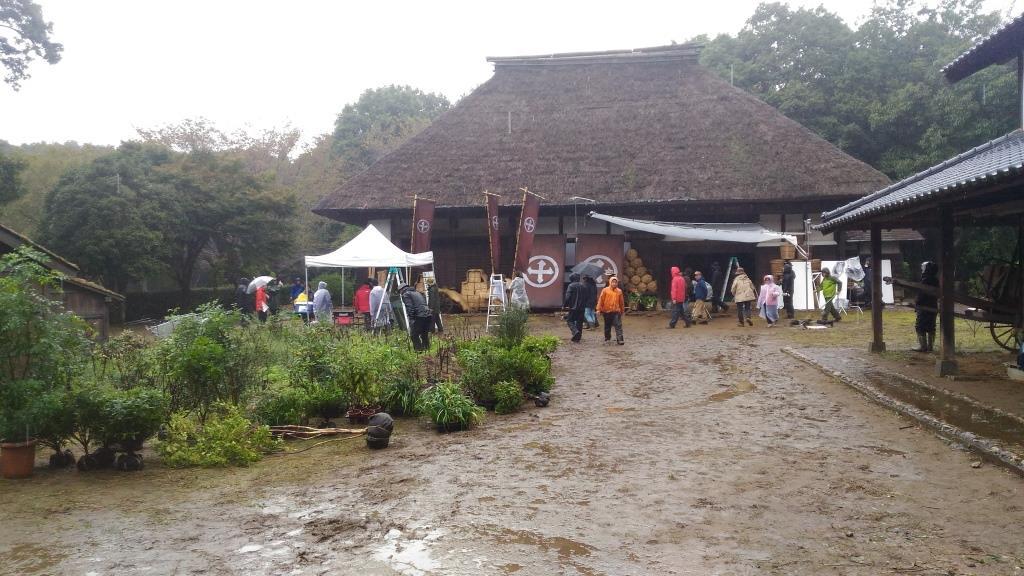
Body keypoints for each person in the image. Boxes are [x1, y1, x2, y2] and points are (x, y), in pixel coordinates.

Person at [399, 283, 433, 351]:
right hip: (428, 315)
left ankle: (419, 351)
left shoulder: (406, 294)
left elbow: (410, 307)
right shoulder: (417, 292)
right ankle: (427, 350)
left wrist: (411, 318)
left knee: (414, 335)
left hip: (419, 316)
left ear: (401, 290)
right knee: (424, 334)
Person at [914, 261, 938, 352]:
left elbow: (921, 294)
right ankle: (930, 347)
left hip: (924, 307)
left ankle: (923, 346)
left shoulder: (925, 280)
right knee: (931, 326)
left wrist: (917, 302)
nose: (922, 269)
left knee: (920, 326)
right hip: (933, 306)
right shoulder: (935, 280)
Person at [596, 275, 626, 345]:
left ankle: (620, 339)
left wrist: (622, 311)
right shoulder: (605, 290)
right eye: (613, 282)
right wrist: (598, 309)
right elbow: (601, 300)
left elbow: (621, 302)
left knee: (618, 325)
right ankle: (607, 338)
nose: (614, 284)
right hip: (607, 311)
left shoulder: (619, 291)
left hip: (616, 311)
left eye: (615, 282)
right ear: (610, 282)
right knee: (607, 326)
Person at [563, 273, 587, 343]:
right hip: (582, 307)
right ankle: (577, 338)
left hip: (573, 307)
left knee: (569, 320)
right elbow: (586, 296)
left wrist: (565, 305)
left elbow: (567, 297)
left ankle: (575, 331)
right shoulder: (583, 285)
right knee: (579, 322)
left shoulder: (571, 285)